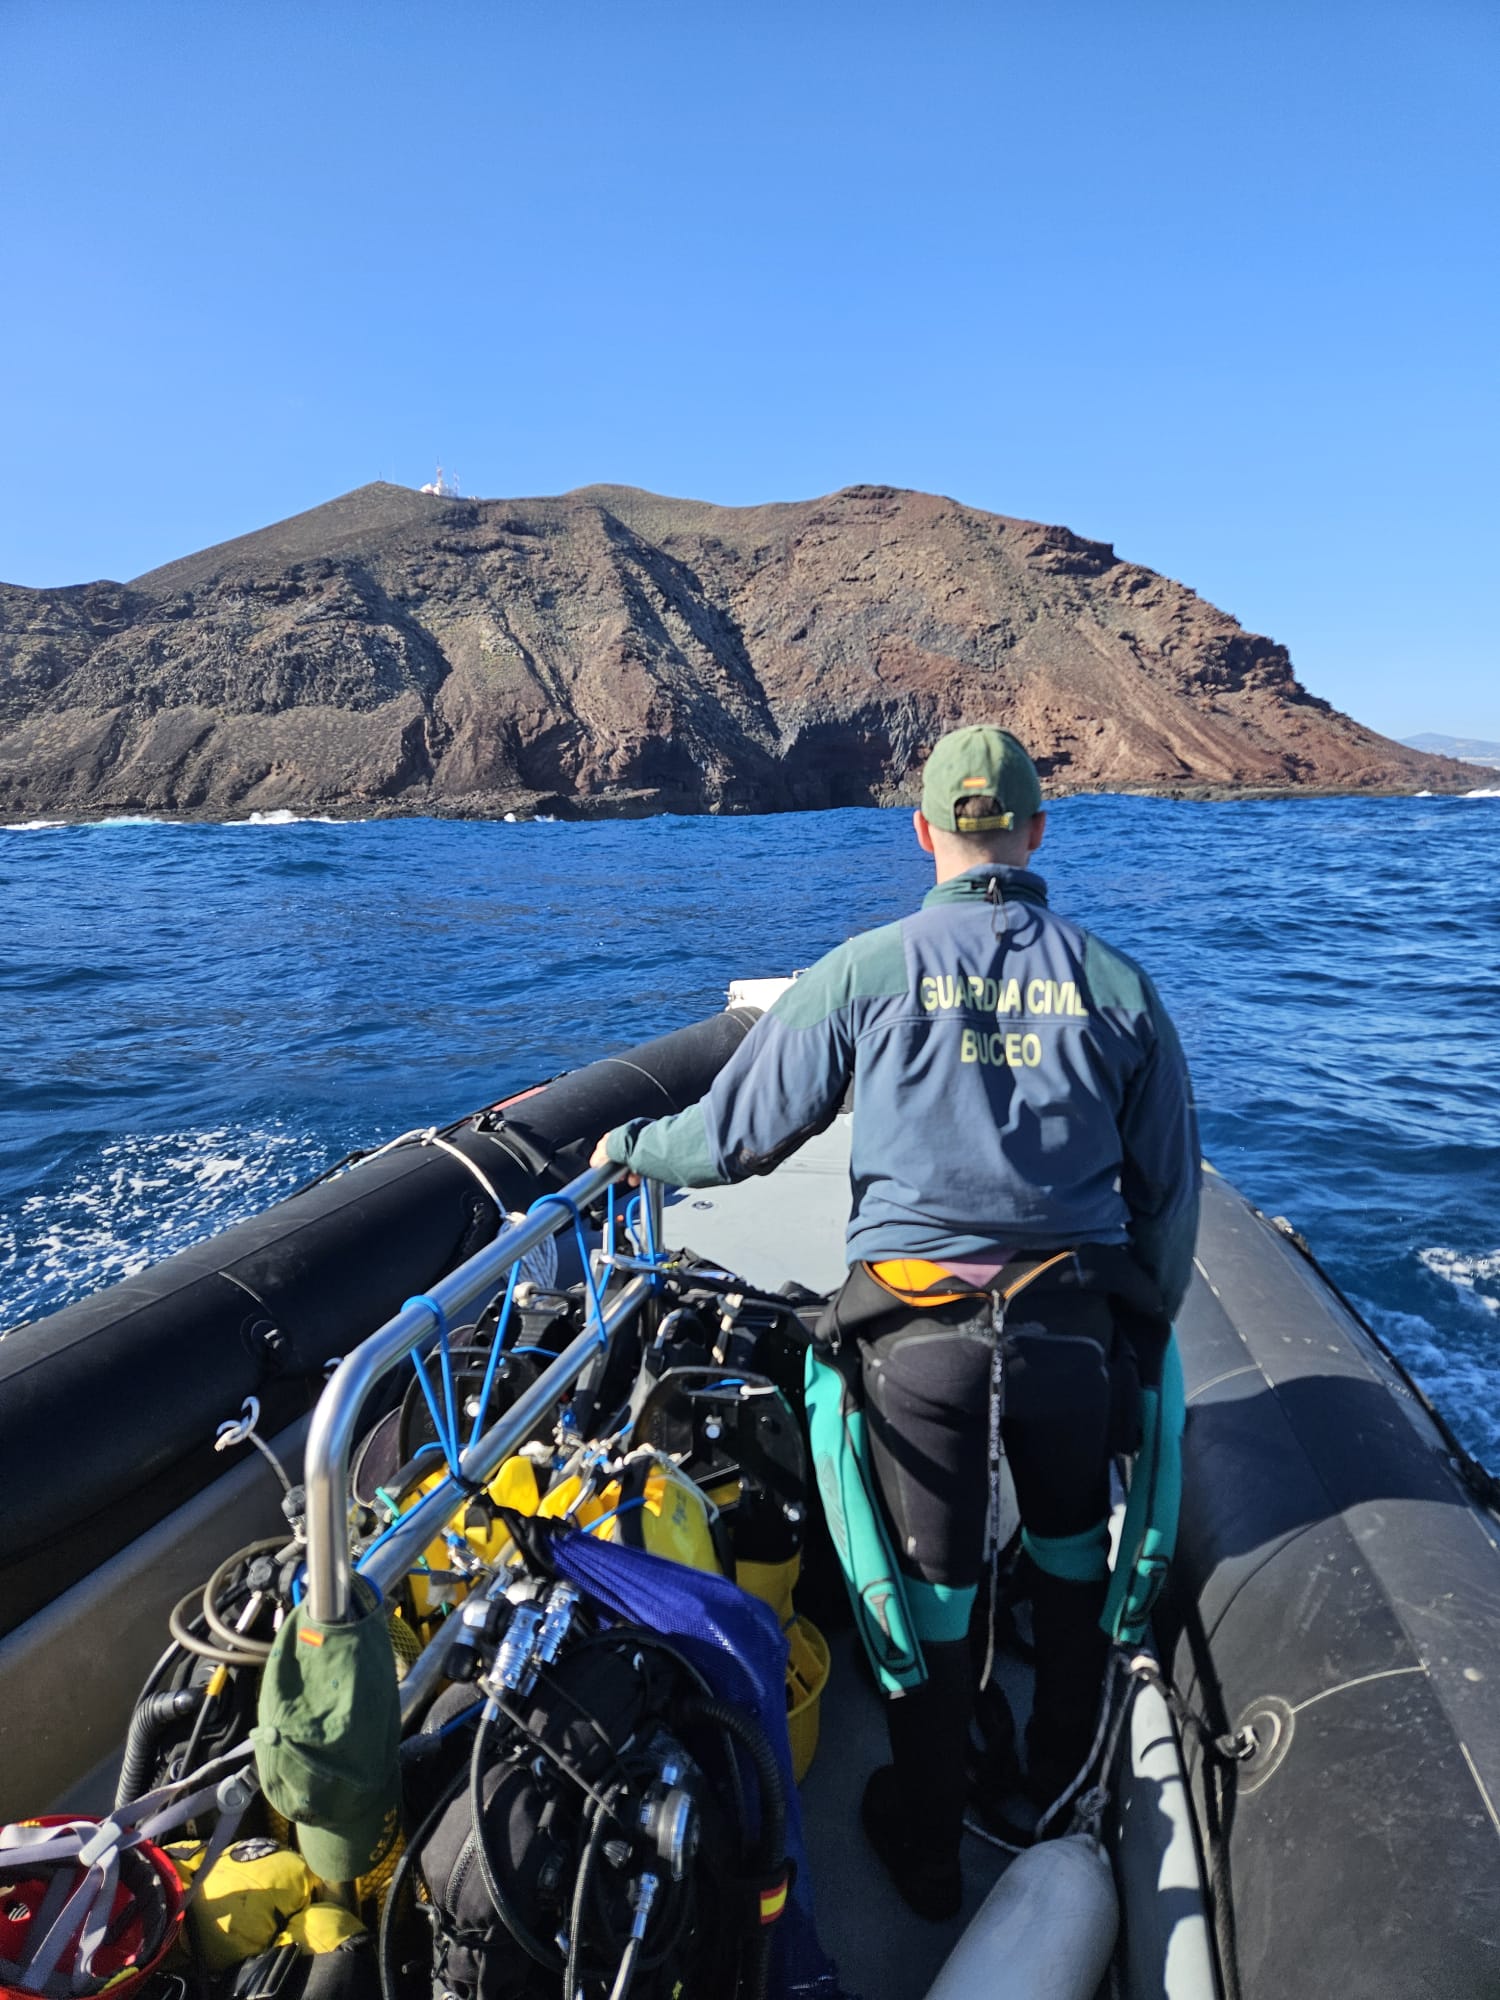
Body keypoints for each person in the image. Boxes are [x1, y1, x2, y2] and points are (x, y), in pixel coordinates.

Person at [590, 724, 1200, 1919]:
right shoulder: (1120, 986)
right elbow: (1169, 1203)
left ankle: (928, 1843)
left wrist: (624, 1143)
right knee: (1076, 1564)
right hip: (1071, 1337)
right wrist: (1143, 1329)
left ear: (922, 831)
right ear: (1034, 832)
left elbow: (732, 1136)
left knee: (927, 1597)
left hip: (913, 1351)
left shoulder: (865, 970)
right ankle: (1057, 1790)